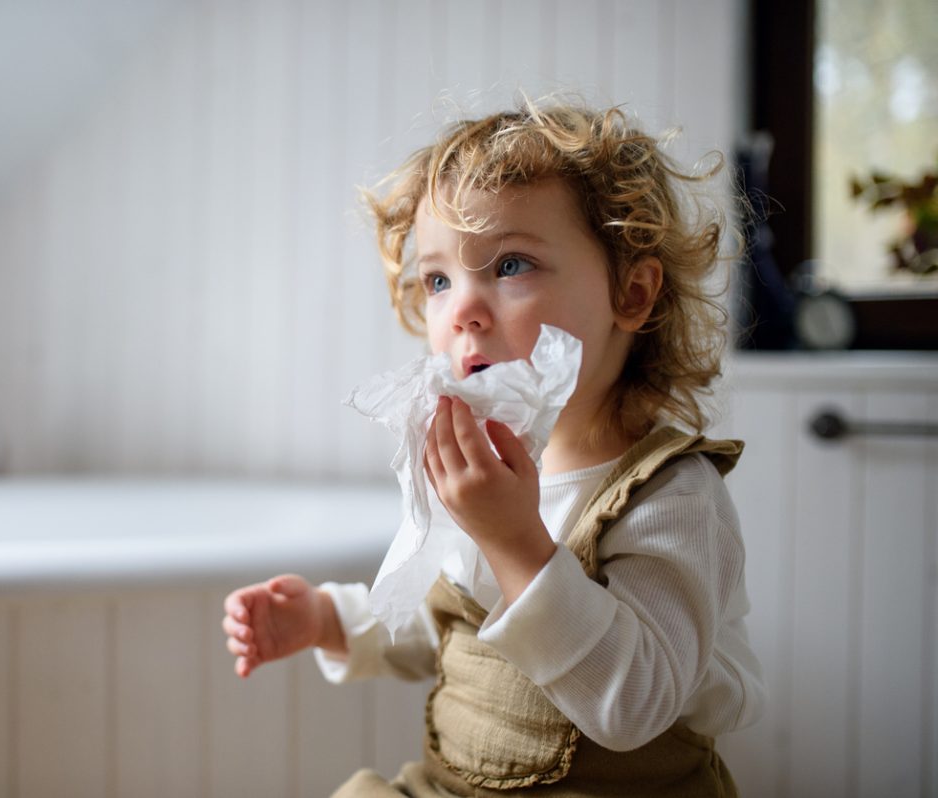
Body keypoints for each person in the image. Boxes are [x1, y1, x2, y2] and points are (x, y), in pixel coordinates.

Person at [221, 98, 765, 797]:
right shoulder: (492, 464)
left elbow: (635, 703)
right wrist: (328, 620)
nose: (461, 310)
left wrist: (514, 541)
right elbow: (450, 621)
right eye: (439, 279)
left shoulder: (674, 495)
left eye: (511, 264)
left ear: (632, 293)